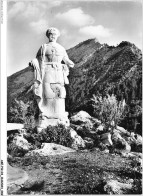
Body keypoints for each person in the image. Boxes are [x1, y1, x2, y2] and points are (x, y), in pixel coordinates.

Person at [29, 27, 74, 130]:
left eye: (55, 34)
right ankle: (46, 116)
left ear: (57, 36)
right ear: (48, 36)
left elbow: (65, 58)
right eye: (51, 34)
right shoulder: (43, 47)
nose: (53, 36)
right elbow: (37, 59)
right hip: (47, 73)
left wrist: (68, 62)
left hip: (58, 73)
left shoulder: (61, 48)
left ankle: (59, 116)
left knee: (59, 95)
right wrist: (33, 62)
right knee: (48, 93)